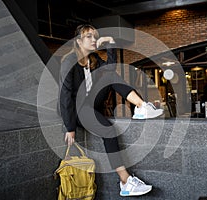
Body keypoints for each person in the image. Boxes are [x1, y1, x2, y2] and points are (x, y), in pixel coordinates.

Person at [59, 24, 163, 197]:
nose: (93, 40)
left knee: (108, 74)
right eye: (89, 37)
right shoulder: (69, 62)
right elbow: (65, 96)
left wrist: (110, 43)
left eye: (95, 36)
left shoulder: (93, 60)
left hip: (92, 104)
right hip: (78, 109)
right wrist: (70, 127)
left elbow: (111, 69)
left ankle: (141, 107)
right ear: (78, 41)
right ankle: (125, 181)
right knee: (109, 130)